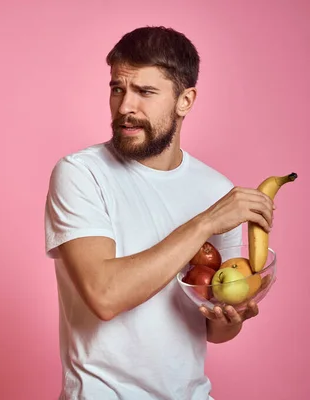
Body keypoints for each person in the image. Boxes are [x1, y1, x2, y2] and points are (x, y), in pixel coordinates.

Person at [44, 26, 274, 400]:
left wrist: (232, 317)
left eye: (145, 92)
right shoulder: (81, 174)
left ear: (185, 100)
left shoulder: (216, 190)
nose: (125, 107)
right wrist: (206, 222)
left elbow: (214, 330)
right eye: (117, 89)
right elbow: (104, 295)